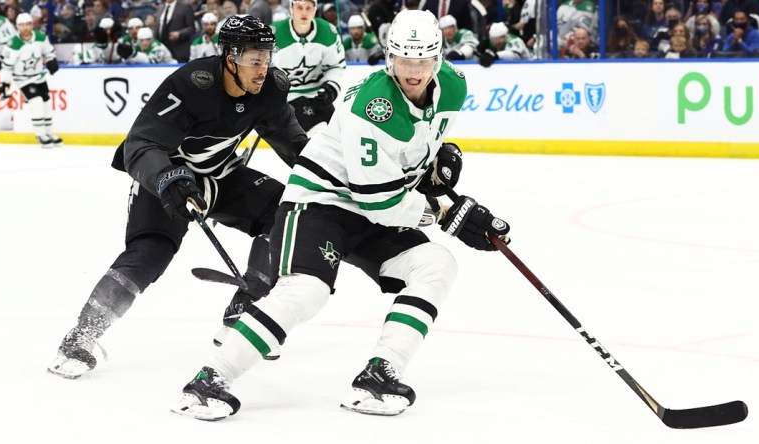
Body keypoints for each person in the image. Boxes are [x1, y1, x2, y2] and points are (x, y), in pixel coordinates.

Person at [170, 9, 510, 421]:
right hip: (321, 202)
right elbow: (379, 202)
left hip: (371, 205)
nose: (413, 72)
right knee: (305, 291)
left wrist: (435, 163)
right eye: (403, 60)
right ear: (389, 58)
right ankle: (209, 381)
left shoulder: (454, 87)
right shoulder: (373, 106)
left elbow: (415, 152)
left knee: (436, 265)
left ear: (438, 59)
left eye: (422, 61)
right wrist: (443, 211)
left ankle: (379, 376)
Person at [47, 14, 308, 380]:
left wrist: (331, 176)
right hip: (168, 176)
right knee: (150, 253)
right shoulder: (191, 84)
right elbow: (142, 142)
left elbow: (294, 143)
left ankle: (244, 311)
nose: (262, 69)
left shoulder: (270, 89)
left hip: (221, 175)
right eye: (253, 60)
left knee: (285, 212)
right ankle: (82, 336)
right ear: (230, 59)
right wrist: (170, 180)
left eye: (267, 58)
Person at [270, 0, 345, 134]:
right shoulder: (274, 34)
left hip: (318, 96)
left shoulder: (328, 32)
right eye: (299, 7)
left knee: (337, 138)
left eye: (308, 7)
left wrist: (331, 88)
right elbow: (263, 70)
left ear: (315, 9)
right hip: (288, 98)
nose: (304, 12)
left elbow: (336, 66)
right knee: (305, 145)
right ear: (291, 8)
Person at [0, 13, 61, 148]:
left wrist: (51, 61)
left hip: (39, 76)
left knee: (46, 103)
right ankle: (40, 134)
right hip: (23, 79)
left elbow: (49, 52)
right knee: (36, 102)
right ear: (18, 27)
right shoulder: (13, 43)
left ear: (32, 25)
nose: (25, 28)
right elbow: (7, 67)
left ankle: (49, 133)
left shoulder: (41, 37)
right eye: (22, 25)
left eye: (28, 24)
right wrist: (4, 84)